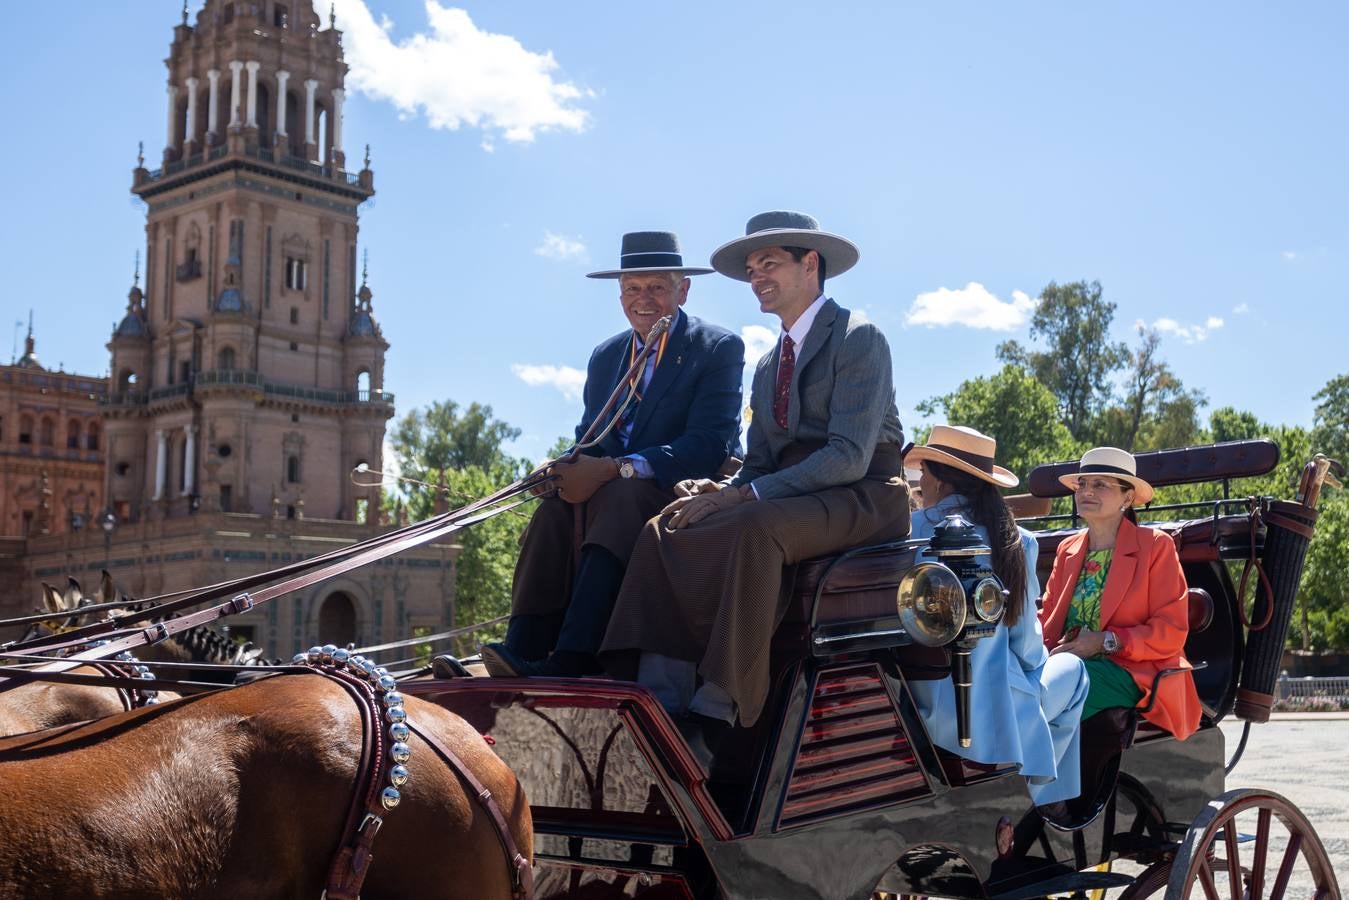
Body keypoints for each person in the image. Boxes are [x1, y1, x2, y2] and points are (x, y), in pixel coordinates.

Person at [600, 211, 910, 734]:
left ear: (810, 263)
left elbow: (847, 458)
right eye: (750, 268)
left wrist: (745, 498)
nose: (756, 278)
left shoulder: (860, 338)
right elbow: (761, 462)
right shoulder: (768, 366)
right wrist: (722, 489)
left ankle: (719, 710)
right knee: (667, 527)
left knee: (756, 528)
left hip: (865, 496)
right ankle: (660, 699)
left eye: (769, 263)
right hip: (796, 495)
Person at [481, 231, 745, 678]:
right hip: (612, 489)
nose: (644, 300)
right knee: (552, 510)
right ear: (620, 293)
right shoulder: (606, 356)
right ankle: (521, 646)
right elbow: (592, 437)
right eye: (632, 289)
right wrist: (559, 467)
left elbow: (708, 444)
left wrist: (618, 469)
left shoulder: (716, 348)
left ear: (684, 289)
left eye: (657, 287)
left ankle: (574, 655)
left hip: (679, 489)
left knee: (622, 499)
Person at [905, 425, 1088, 805]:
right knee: (1075, 672)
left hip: (913, 702)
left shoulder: (906, 533)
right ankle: (1044, 799)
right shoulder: (1017, 540)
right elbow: (1026, 647)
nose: (920, 482)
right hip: (987, 718)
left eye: (923, 471)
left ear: (941, 479)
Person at [1040, 446, 1202, 739]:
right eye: (1082, 484)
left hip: (1132, 672)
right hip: (1063, 664)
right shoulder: (1068, 549)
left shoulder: (1156, 547)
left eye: (1100, 484)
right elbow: (1047, 618)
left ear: (1127, 498)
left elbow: (1171, 630)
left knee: (1046, 696)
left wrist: (1105, 642)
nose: (1087, 491)